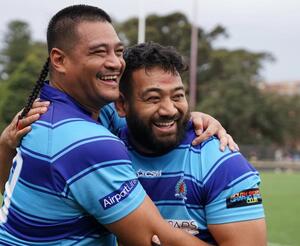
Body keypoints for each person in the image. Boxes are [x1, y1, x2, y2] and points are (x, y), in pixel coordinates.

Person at [0, 4, 234, 246]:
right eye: (99, 52)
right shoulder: (83, 141)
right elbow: (152, 239)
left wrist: (187, 115)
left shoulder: (52, 110)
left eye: (118, 51)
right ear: (59, 60)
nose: (115, 63)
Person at [113, 42, 266, 245]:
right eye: (153, 98)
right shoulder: (107, 154)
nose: (169, 109)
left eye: (177, 96)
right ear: (122, 105)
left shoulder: (222, 162)